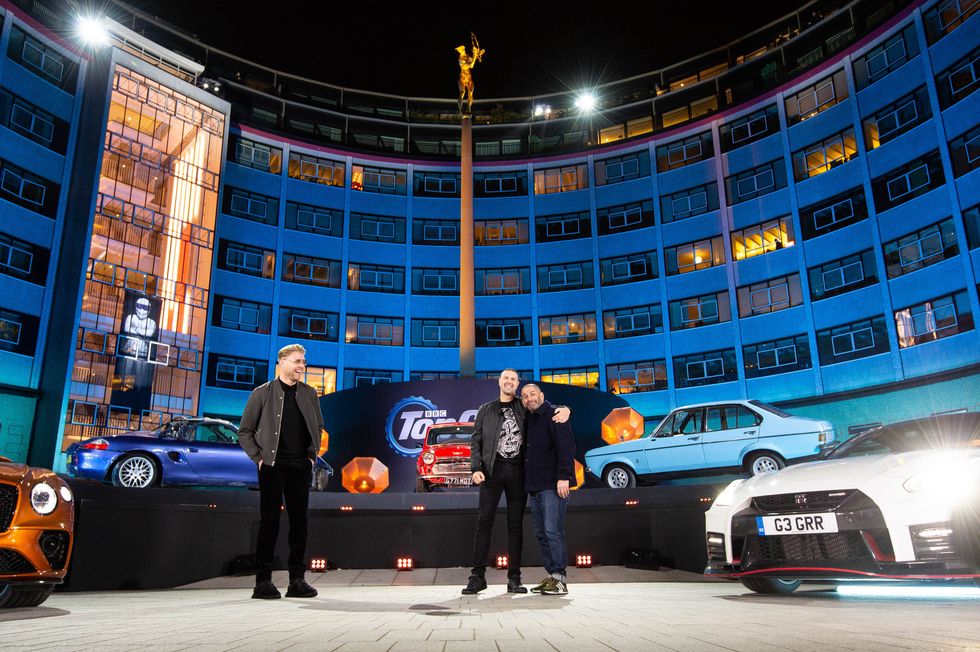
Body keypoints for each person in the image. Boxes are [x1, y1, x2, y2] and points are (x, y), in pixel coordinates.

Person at [462, 369, 569, 595]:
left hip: (518, 474)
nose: (509, 381)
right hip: (491, 472)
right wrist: (475, 468)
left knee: (515, 526)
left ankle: (514, 578)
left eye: (513, 379)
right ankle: (477, 576)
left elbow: (545, 408)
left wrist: (567, 409)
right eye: (506, 378)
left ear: (517, 383)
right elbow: (475, 441)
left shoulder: (524, 406)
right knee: (484, 523)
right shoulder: (485, 410)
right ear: (499, 382)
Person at [238, 344, 323, 600]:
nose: (302, 366)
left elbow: (318, 427)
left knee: (300, 524)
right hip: (272, 467)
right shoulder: (262, 393)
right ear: (282, 362)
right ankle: (263, 582)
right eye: (297, 361)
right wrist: (259, 459)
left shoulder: (309, 394)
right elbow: (244, 431)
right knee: (269, 522)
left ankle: (297, 580)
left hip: (300, 467)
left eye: (304, 362)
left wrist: (310, 457)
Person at [520, 383, 575, 596]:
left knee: (553, 531)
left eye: (532, 394)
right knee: (541, 533)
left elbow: (567, 447)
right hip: (534, 487)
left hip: (553, 485)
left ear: (541, 395)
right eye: (525, 396)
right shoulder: (528, 419)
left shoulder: (555, 414)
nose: (529, 398)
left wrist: (564, 476)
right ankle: (552, 575)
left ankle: (560, 579)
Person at [456, 33, 485, 114]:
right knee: (462, 92)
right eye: (462, 50)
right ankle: (461, 110)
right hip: (462, 78)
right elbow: (471, 65)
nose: (464, 50)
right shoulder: (460, 59)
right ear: (460, 51)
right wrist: (475, 56)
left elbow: (473, 60)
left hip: (469, 78)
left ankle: (469, 109)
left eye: (464, 49)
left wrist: (477, 54)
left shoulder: (467, 56)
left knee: (470, 94)